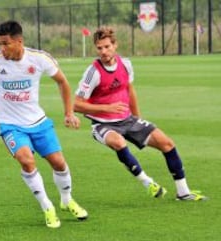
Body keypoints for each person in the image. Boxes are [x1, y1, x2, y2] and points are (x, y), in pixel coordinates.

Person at [0, 20, 88, 228]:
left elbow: (62, 81)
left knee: (59, 163)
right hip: (9, 125)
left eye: (6, 44)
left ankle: (67, 200)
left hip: (38, 122)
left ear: (19, 41)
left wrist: (69, 112)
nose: (2, 49)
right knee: (27, 161)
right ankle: (47, 207)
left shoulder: (39, 59)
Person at [73, 26, 207, 201]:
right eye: (99, 48)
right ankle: (147, 182)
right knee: (119, 142)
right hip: (103, 124)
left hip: (128, 119)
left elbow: (130, 90)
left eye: (107, 47)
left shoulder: (126, 64)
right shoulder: (93, 73)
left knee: (167, 143)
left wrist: (137, 117)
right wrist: (106, 108)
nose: (103, 52)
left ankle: (183, 192)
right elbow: (75, 105)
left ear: (115, 45)